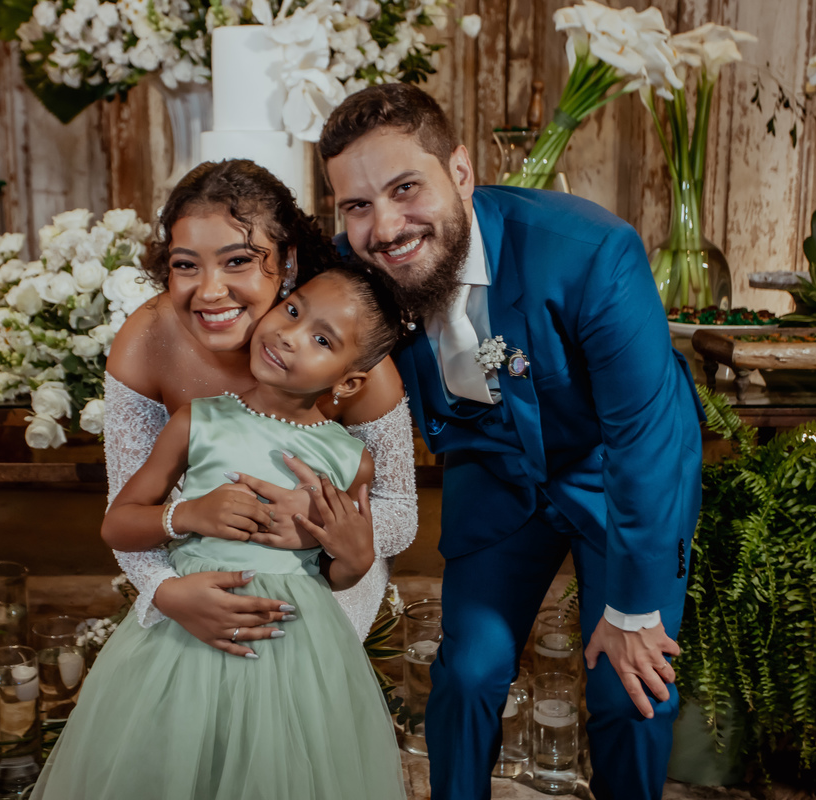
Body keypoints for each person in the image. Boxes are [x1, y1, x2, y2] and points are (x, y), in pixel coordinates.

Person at [319, 84, 704, 800]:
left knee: (628, 686)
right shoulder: (356, 269)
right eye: (357, 205)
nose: (386, 227)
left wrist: (632, 613)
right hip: (494, 470)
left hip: (615, 472)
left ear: (461, 171)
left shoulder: (591, 253)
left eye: (406, 188)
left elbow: (644, 439)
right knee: (466, 673)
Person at [32, 266, 408, 799]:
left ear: (348, 382)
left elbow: (336, 575)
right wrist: (186, 515)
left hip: (294, 646)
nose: (289, 335)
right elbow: (117, 524)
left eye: (322, 340)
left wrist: (355, 557)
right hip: (185, 641)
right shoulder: (197, 421)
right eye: (292, 310)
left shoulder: (351, 461)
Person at [103, 160, 416, 654]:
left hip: (318, 595)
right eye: (186, 265)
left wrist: (319, 523)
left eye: (238, 261)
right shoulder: (147, 340)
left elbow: (397, 507)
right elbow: (124, 508)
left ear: (287, 262)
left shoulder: (346, 352)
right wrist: (166, 592)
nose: (210, 292)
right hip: (189, 567)